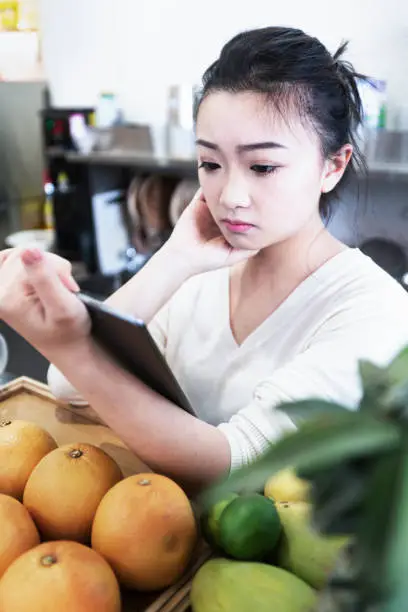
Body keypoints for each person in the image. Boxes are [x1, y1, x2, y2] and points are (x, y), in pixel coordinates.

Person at [1, 26, 408, 493]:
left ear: (332, 166)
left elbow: (236, 465)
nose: (230, 196)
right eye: (210, 164)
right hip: (161, 529)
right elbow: (68, 386)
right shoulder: (200, 274)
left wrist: (70, 345)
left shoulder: (374, 310)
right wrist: (173, 259)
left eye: (262, 167)